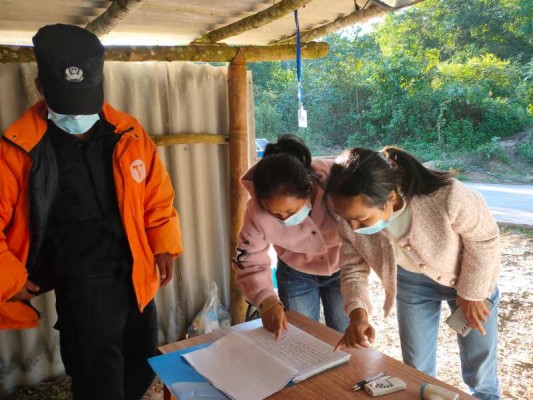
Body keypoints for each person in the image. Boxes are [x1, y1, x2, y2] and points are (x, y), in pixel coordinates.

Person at [0, 24, 183, 400]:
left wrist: (163, 243)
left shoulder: (129, 133)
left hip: (135, 269)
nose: (78, 115)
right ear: (41, 87)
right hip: (81, 280)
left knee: (142, 361)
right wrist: (8, 277)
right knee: (97, 375)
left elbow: (157, 195)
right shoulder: (18, 148)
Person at [326, 146, 501, 400]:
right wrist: (357, 315)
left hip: (471, 278)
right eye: (346, 218)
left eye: (362, 220)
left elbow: (485, 238)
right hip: (411, 285)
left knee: (480, 367)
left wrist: (472, 293)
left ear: (390, 198)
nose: (352, 227)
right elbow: (352, 268)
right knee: (416, 367)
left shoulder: (447, 195)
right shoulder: (349, 216)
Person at [233, 134, 349, 338]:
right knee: (300, 337)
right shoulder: (256, 211)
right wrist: (267, 300)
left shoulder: (337, 183)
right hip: (295, 274)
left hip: (342, 268)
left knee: (344, 333)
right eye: (275, 215)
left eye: (291, 211)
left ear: (309, 190)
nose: (285, 219)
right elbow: (249, 260)